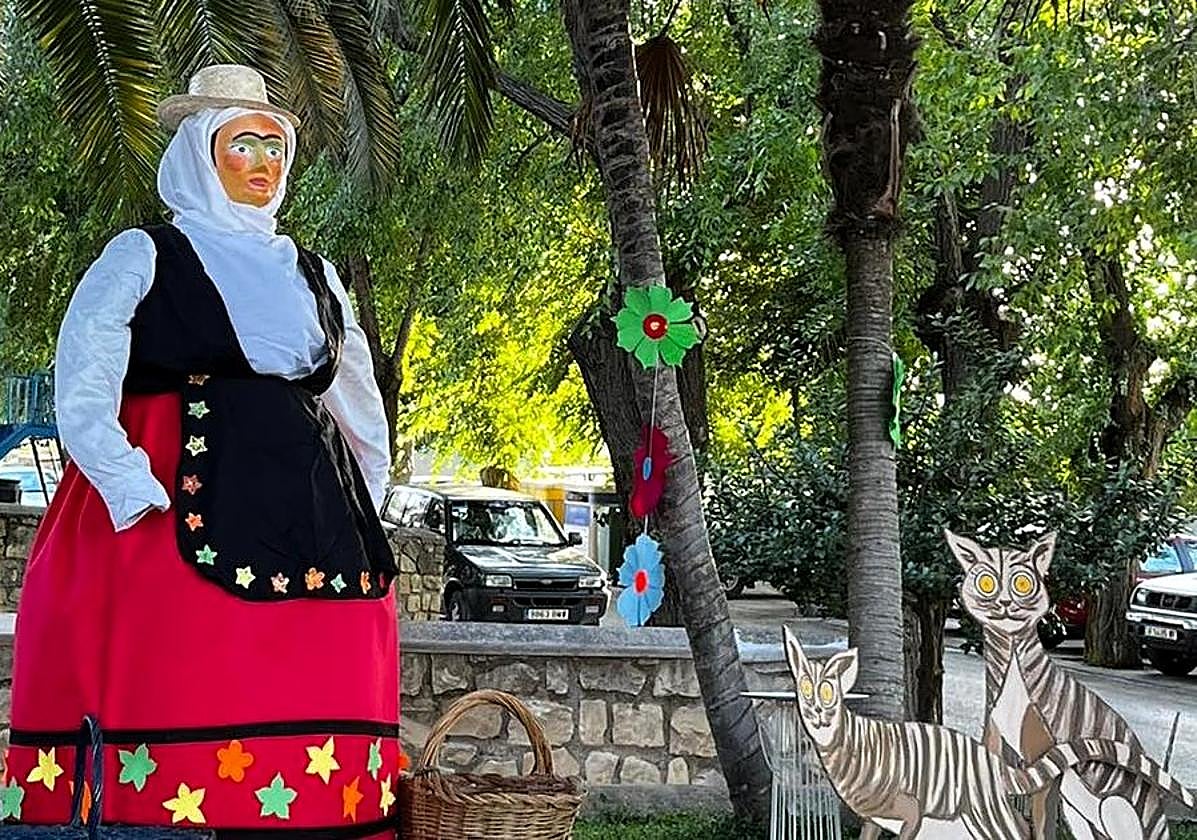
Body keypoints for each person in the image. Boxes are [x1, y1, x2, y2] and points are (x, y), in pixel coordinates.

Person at [6, 65, 401, 837]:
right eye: (241, 145)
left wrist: (365, 505)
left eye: (275, 148)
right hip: (170, 496)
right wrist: (127, 482)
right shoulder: (142, 256)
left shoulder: (315, 276)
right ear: (197, 153)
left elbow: (356, 404)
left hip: (316, 516)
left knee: (327, 666)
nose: (263, 164)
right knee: (180, 666)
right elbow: (84, 377)